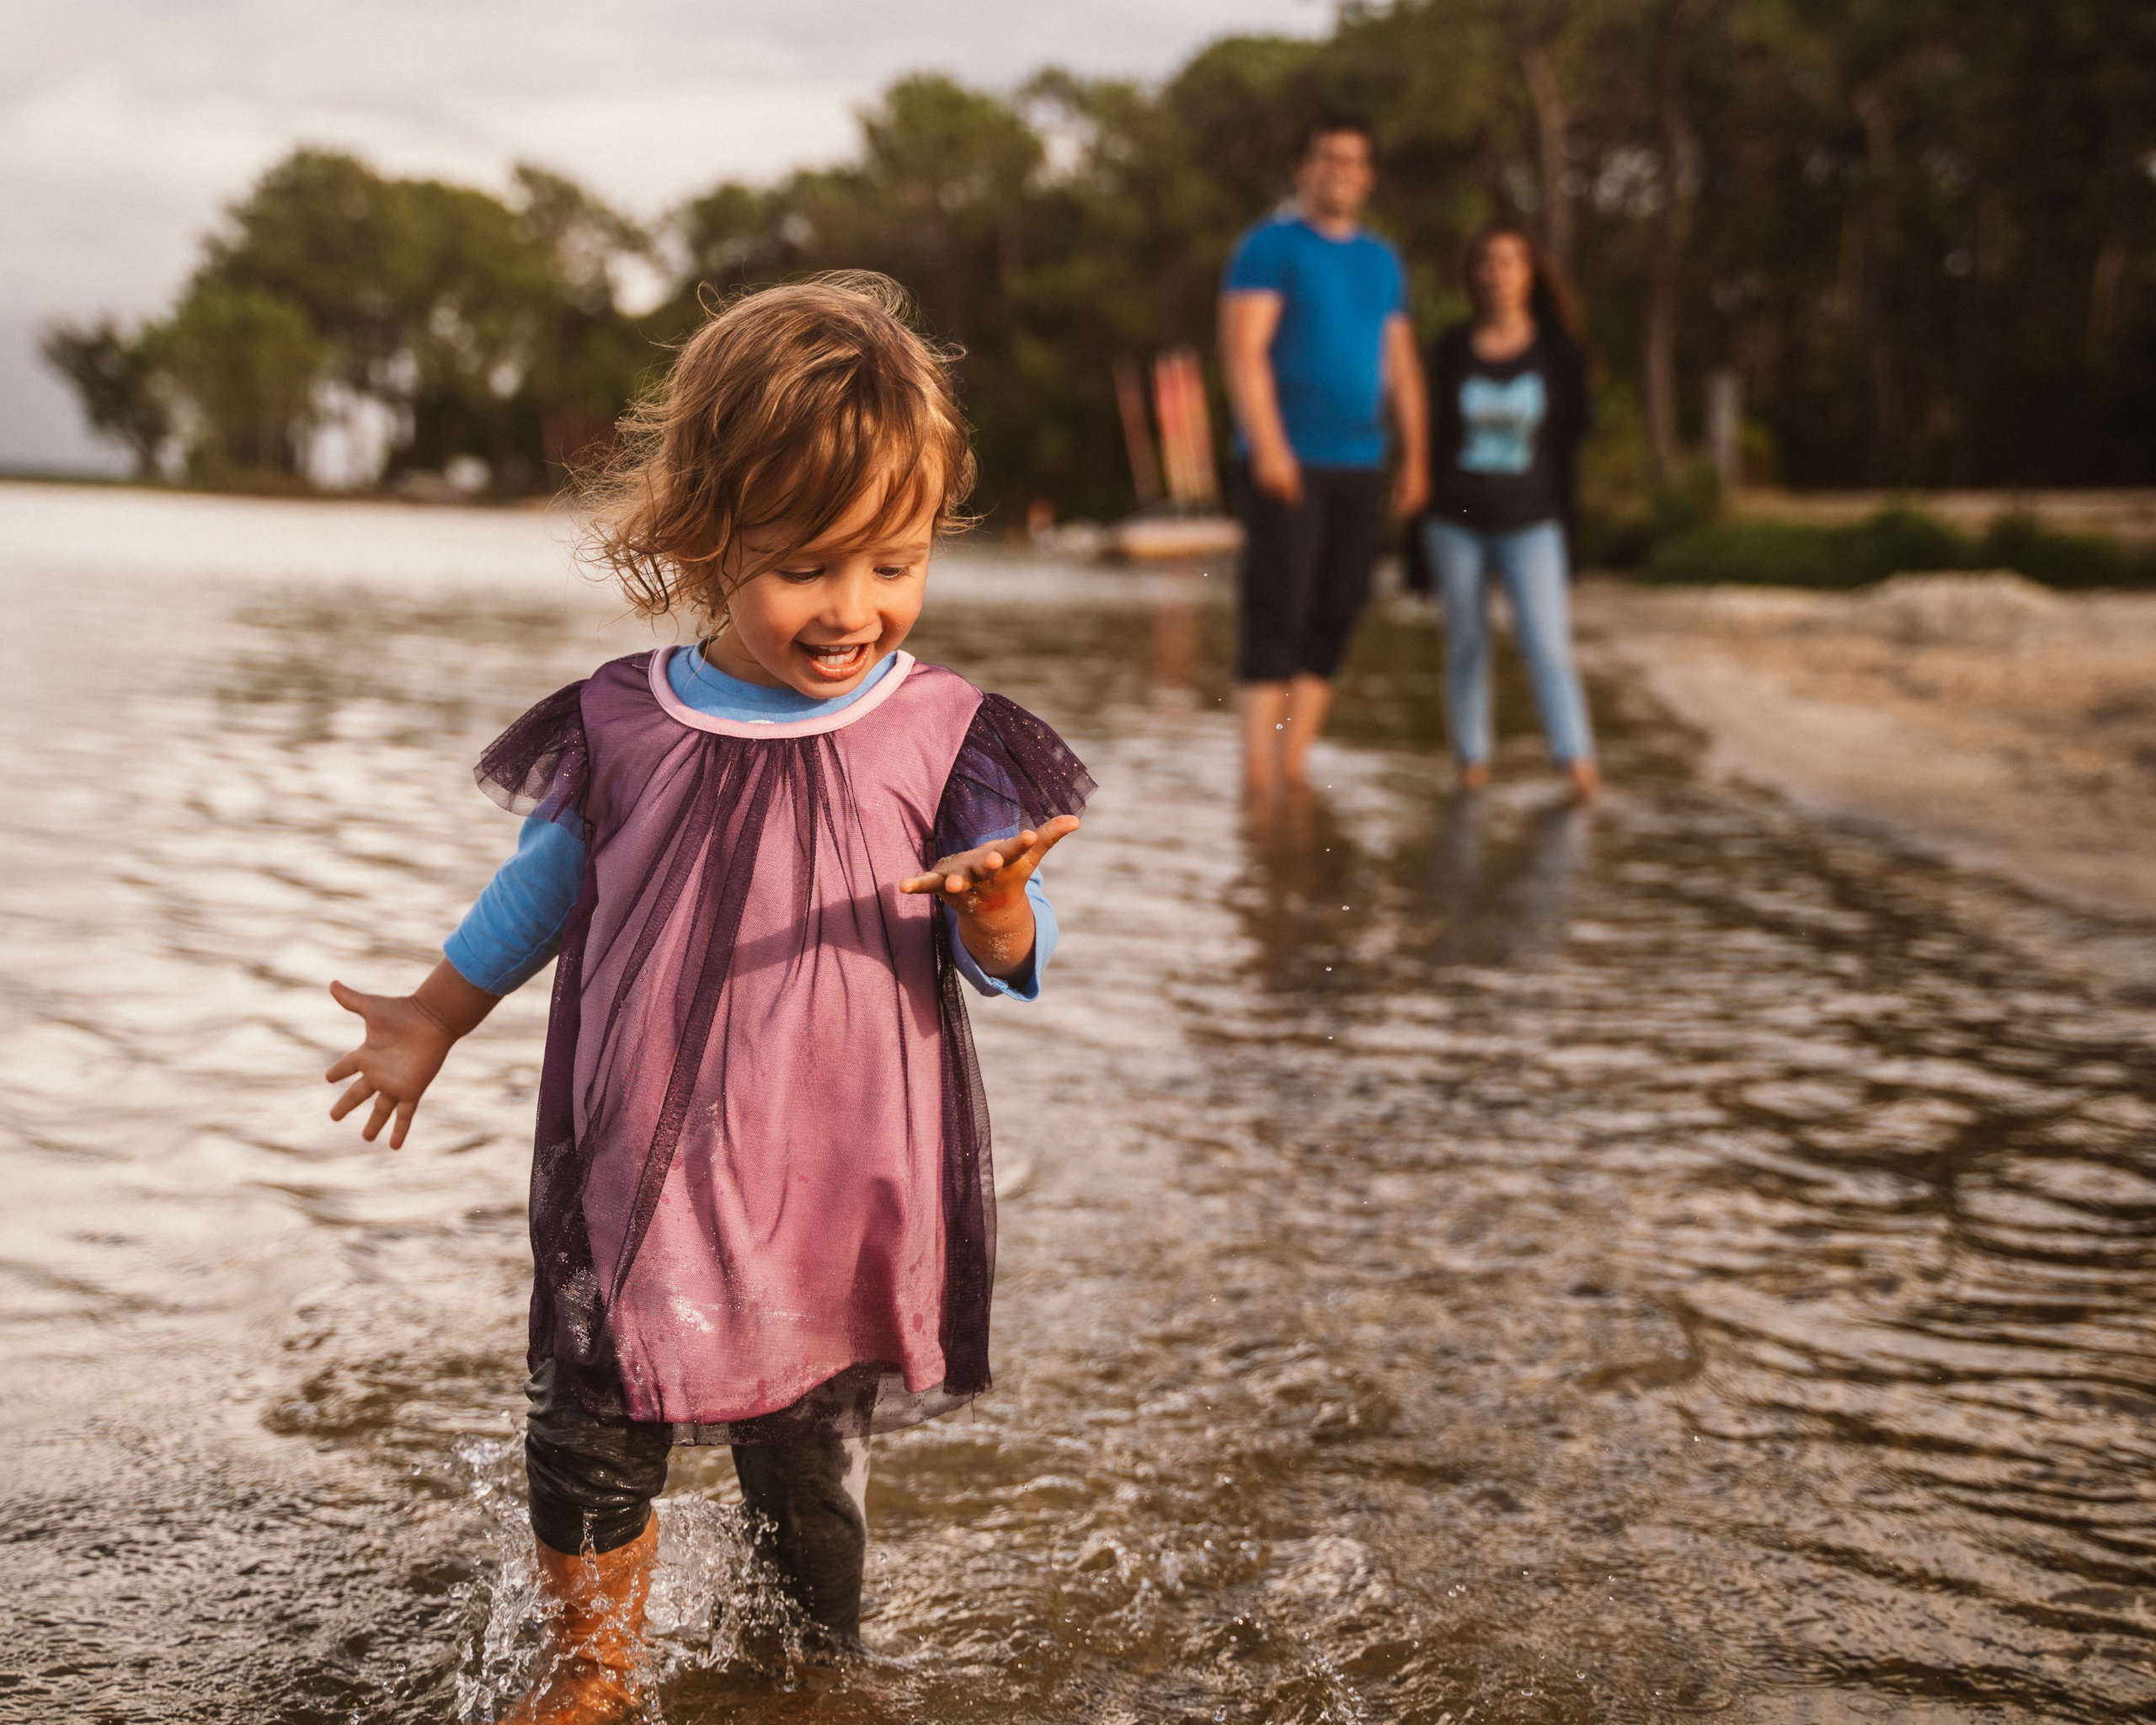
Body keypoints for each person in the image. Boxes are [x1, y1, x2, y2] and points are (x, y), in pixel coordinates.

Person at [321, 275, 1092, 1723]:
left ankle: (813, 1675)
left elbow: (1006, 943)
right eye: (808, 565)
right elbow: (545, 888)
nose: (854, 607)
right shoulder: (629, 721)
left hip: (835, 1183)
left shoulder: (940, 731)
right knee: (593, 1428)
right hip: (645, 1172)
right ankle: (595, 1669)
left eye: (895, 562)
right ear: (702, 538)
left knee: (809, 1475)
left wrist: (997, 907)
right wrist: (433, 1014)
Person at [1219, 115, 1428, 798]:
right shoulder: (1270, 246)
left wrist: (1419, 458)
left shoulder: (1381, 260)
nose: (1339, 170)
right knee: (1278, 608)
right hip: (1288, 461)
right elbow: (1244, 350)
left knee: (1336, 610)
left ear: (1367, 177)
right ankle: (1257, 773)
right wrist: (1271, 447)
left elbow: (1399, 360)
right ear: (1302, 169)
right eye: (1327, 158)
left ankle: (1294, 764)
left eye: (1353, 160)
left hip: (1360, 463)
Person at [1422, 221, 1600, 799]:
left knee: (1547, 644)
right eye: (1488, 262)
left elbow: (1574, 439)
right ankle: (1471, 766)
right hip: (1456, 520)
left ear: (1530, 273)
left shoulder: (1558, 351)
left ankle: (1576, 764)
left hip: (1534, 519)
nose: (1498, 273)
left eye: (1511, 261)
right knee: (1466, 643)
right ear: (1474, 274)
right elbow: (1427, 436)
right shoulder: (1449, 348)